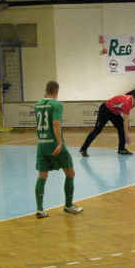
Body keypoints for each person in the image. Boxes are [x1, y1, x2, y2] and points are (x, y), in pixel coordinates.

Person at [34, 81, 83, 218]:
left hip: (41, 144)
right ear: (57, 91)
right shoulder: (57, 104)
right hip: (54, 144)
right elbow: (56, 123)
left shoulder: (37, 105)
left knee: (42, 176)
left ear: (45, 89)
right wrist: (59, 143)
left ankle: (39, 209)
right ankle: (68, 205)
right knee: (70, 173)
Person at [79, 88, 135, 157]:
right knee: (97, 130)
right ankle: (83, 149)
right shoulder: (127, 103)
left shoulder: (133, 103)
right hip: (105, 110)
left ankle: (121, 149)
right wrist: (127, 135)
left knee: (122, 128)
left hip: (114, 112)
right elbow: (125, 121)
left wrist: (128, 124)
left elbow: (126, 116)